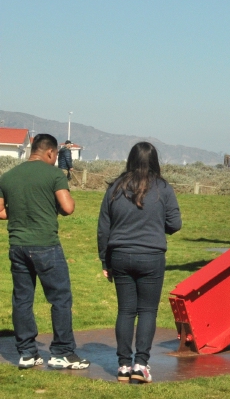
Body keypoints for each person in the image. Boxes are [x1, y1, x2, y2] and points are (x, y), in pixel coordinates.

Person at [0, 133, 89, 370]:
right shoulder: (53, 174)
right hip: (46, 246)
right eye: (56, 155)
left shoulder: (8, 176)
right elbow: (68, 207)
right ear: (50, 152)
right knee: (60, 298)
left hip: (17, 246)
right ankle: (62, 351)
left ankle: (27, 353)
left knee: (22, 299)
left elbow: (1, 212)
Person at [97, 142, 182, 384]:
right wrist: (156, 224)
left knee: (125, 310)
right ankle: (141, 364)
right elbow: (175, 224)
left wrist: (105, 260)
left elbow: (104, 227)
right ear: (155, 161)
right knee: (147, 311)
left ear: (130, 159)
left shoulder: (115, 188)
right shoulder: (163, 188)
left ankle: (123, 365)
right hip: (151, 256)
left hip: (120, 255)